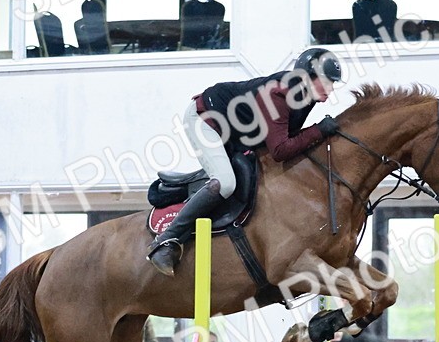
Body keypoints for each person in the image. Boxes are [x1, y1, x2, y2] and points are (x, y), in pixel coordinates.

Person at [146, 47, 345, 276]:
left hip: (237, 133)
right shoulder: (280, 94)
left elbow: (287, 139)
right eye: (326, 82)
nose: (330, 89)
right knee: (225, 182)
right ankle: (166, 241)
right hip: (205, 120)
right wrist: (319, 131)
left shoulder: (306, 96)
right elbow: (280, 149)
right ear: (306, 77)